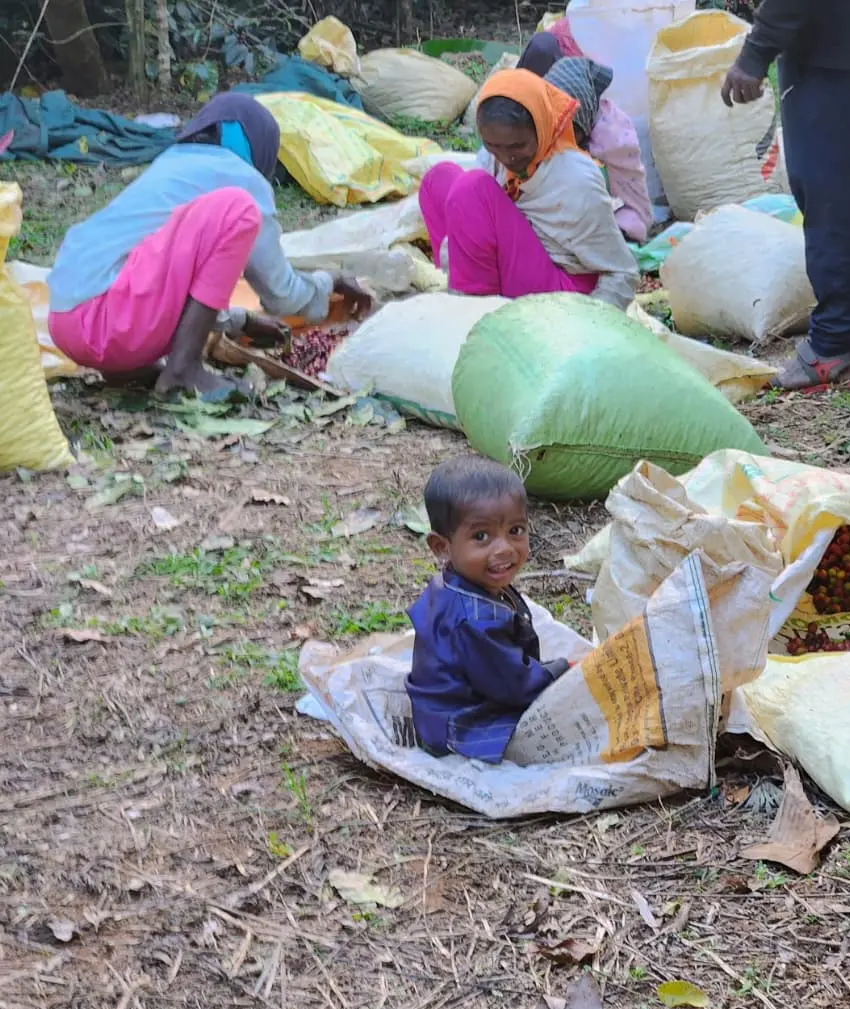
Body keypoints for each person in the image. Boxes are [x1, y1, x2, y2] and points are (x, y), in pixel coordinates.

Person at [48, 94, 370, 399]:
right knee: (238, 210)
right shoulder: (242, 178)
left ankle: (127, 369)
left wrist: (238, 321)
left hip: (66, 325)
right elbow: (281, 293)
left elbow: (166, 277)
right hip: (109, 323)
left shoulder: (173, 164)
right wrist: (329, 282)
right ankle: (183, 370)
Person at [720, 0, 850, 390]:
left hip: (822, 38)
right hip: (848, 31)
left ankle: (830, 345)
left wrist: (754, 54)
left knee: (823, 186)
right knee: (835, 177)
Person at [418, 69, 639, 309]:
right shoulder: (495, 159)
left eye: (518, 146)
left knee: (471, 190)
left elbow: (622, 271)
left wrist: (593, 322)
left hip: (559, 293)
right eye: (492, 145)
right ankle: (467, 289)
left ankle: (475, 313)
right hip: (514, 263)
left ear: (542, 128)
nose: (506, 157)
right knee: (439, 180)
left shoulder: (576, 181)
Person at [406, 457, 571, 763]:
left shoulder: (466, 583)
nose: (505, 548)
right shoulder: (472, 619)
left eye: (516, 530)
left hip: (457, 702)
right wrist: (563, 670)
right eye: (481, 536)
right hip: (459, 724)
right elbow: (515, 686)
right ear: (442, 547)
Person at [517, 31, 652, 243]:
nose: (561, 136)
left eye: (571, 131)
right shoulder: (536, 128)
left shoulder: (612, 137)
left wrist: (617, 231)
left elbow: (635, 206)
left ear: (586, 123)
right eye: (555, 129)